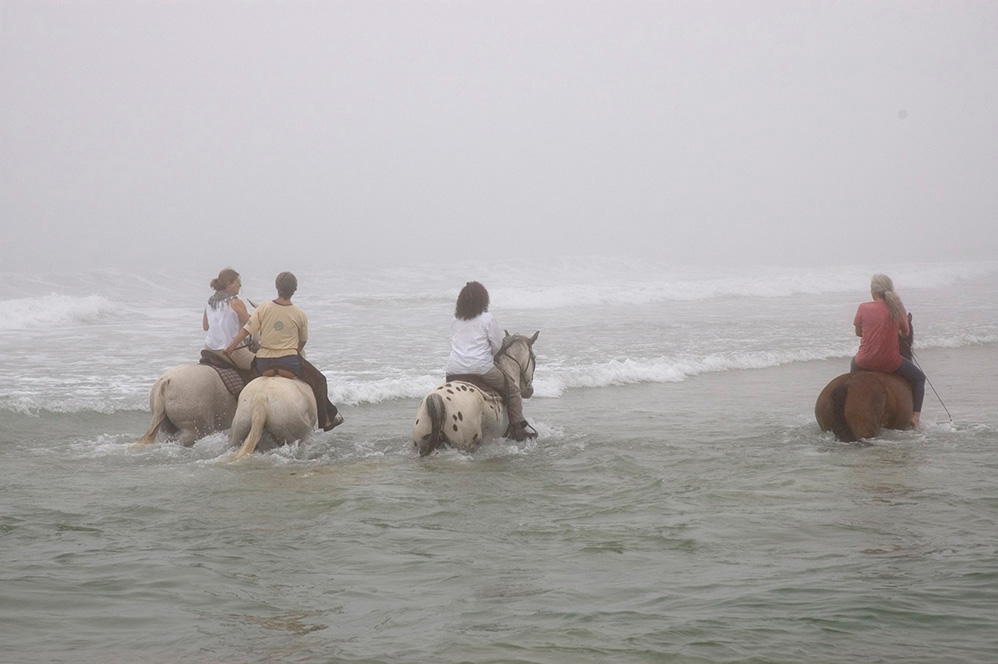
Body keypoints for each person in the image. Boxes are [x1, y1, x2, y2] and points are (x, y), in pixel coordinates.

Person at [223, 271, 342, 431]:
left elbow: (246, 331)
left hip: (263, 363)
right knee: (320, 381)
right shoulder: (299, 314)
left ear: (277, 287)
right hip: (289, 362)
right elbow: (303, 340)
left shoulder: (264, 307)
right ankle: (326, 421)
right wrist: (296, 351)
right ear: (294, 290)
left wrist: (230, 348)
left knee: (244, 386)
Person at [444, 281, 536, 441]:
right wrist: (489, 355)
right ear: (483, 300)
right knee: (513, 390)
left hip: (453, 370)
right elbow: (497, 345)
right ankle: (517, 429)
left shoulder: (456, 320)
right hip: (481, 369)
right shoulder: (487, 318)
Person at [851, 274, 926, 428]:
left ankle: (853, 399)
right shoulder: (898, 309)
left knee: (852, 375)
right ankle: (915, 417)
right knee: (919, 378)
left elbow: (859, 332)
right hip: (890, 362)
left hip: (863, 361)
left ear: (873, 291)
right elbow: (905, 333)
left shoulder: (863, 307)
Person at [203, 268, 253, 372]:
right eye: (237, 282)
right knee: (262, 366)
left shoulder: (210, 302)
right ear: (229, 284)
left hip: (209, 347)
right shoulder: (235, 302)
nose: (240, 285)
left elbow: (205, 326)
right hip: (229, 350)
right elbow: (251, 326)